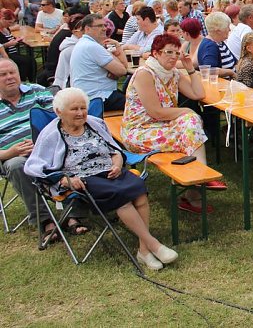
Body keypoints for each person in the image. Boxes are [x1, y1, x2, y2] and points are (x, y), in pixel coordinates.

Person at [25, 87, 179, 270]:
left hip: (110, 171)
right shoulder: (51, 134)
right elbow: (34, 166)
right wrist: (65, 180)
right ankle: (153, 245)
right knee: (120, 197)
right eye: (74, 109)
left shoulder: (95, 123)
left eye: (83, 108)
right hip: (83, 179)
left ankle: (143, 250)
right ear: (59, 111)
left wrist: (116, 163)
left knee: (139, 190)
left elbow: (115, 150)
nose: (81, 113)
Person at [122, 34, 225, 212]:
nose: (173, 57)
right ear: (156, 53)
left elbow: (198, 94)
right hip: (139, 131)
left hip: (162, 126)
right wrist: (188, 112)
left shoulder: (173, 73)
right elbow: (156, 112)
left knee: (190, 127)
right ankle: (198, 183)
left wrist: (190, 69)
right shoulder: (145, 74)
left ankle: (197, 182)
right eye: (168, 52)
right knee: (190, 126)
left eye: (176, 53)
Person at [0, 59, 90, 240]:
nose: (10, 77)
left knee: (71, 153)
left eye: (12, 72)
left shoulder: (38, 92)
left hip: (50, 147)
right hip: (13, 156)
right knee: (18, 165)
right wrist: (10, 152)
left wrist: (45, 144)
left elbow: (63, 120)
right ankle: (45, 220)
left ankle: (72, 216)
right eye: (3, 74)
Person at [70, 14, 130, 111]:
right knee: (138, 104)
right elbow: (122, 71)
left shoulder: (83, 43)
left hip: (88, 95)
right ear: (87, 29)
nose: (104, 29)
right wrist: (118, 47)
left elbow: (121, 70)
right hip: (98, 98)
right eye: (99, 26)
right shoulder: (92, 46)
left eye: (105, 25)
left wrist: (117, 47)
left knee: (130, 95)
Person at [197, 11, 236, 78]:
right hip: (220, 86)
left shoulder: (220, 42)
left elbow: (234, 61)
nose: (229, 30)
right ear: (218, 31)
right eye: (227, 27)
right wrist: (230, 72)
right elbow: (209, 70)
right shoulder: (210, 46)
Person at [0, 9, 28, 80]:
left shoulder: (6, 28)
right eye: (9, 22)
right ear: (3, 19)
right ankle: (23, 79)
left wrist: (16, 40)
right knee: (26, 61)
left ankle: (28, 78)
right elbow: (1, 46)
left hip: (12, 52)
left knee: (28, 60)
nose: (10, 25)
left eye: (12, 23)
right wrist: (9, 44)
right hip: (7, 53)